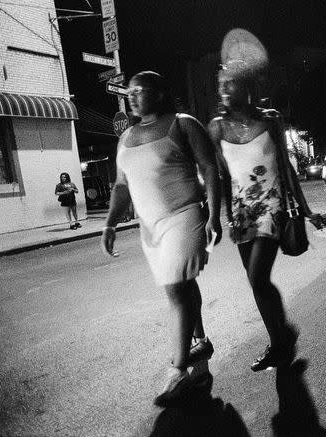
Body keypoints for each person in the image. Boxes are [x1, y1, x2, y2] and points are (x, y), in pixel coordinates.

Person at [100, 71, 222, 406]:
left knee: (174, 290)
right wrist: (110, 224)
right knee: (183, 284)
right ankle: (200, 344)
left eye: (142, 90)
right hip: (150, 228)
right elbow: (122, 186)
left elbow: (210, 168)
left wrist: (214, 214)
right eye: (131, 91)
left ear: (160, 93)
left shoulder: (182, 124)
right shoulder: (125, 138)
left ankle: (177, 370)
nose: (134, 96)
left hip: (184, 217)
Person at [209, 60, 324, 372]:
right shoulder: (216, 127)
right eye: (220, 83)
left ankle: (282, 334)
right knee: (256, 281)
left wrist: (304, 209)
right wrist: (219, 216)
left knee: (258, 276)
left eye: (230, 82)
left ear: (247, 87)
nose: (223, 89)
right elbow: (221, 176)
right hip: (241, 212)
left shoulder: (271, 120)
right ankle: (280, 341)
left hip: (271, 206)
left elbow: (286, 167)